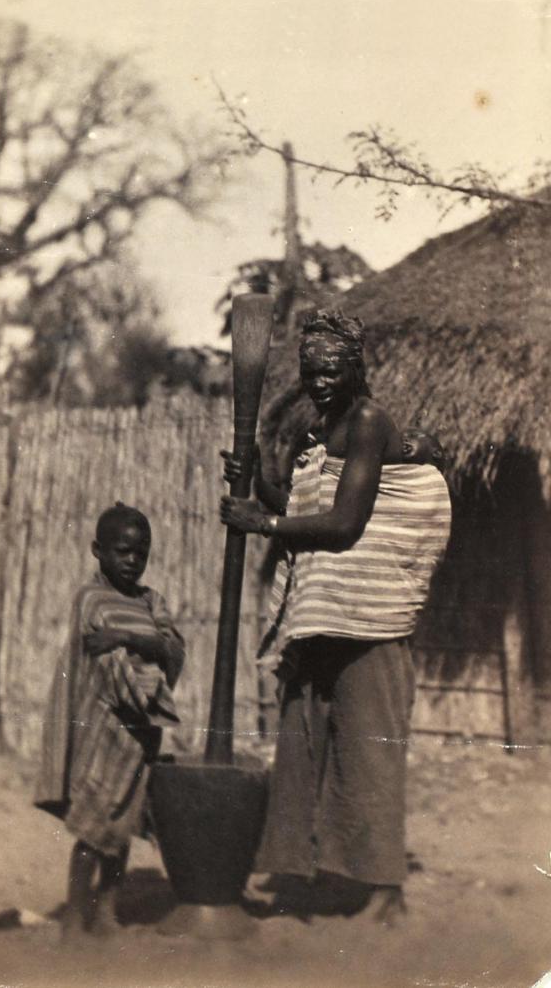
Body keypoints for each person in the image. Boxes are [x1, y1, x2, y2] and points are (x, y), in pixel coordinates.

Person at [220, 310, 451, 924]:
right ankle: (310, 871)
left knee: (371, 752)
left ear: (355, 367)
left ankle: (386, 890)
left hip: (369, 620)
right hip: (325, 617)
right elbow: (301, 507)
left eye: (331, 369)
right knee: (303, 745)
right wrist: (259, 490)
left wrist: (262, 523)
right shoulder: (317, 431)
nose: (319, 380)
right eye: (309, 370)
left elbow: (346, 525)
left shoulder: (369, 423)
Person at [35, 502, 185, 941]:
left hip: (142, 730)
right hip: (103, 727)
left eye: (142, 553)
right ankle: (75, 915)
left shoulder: (151, 600)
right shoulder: (90, 598)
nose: (133, 561)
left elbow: (173, 647)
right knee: (92, 825)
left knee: (120, 829)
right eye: (123, 551)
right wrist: (144, 653)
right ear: (98, 550)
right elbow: (103, 659)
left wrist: (125, 637)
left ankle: (107, 911)